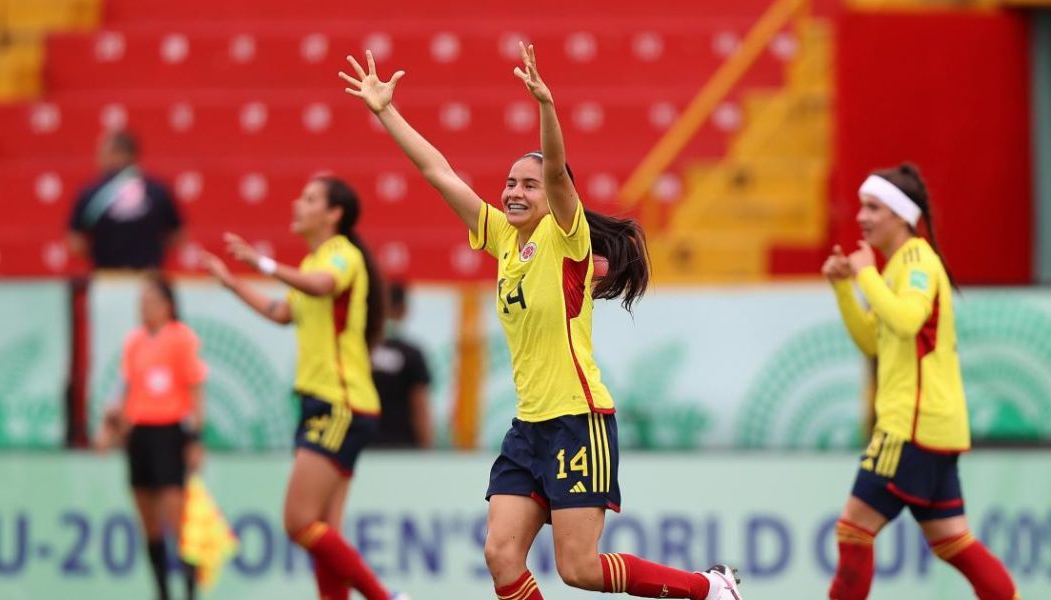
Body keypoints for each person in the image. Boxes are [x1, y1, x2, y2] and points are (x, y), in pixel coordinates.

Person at [339, 44, 742, 600]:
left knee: (579, 569)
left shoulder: (566, 238)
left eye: (527, 186)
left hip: (578, 420)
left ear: (553, 199)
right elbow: (439, 172)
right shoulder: (502, 238)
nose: (513, 192)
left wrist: (546, 107)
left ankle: (707, 588)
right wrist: (386, 112)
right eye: (509, 184)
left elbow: (555, 169)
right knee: (500, 555)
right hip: (529, 428)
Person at [200, 176, 406, 600]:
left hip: (339, 403)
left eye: (310, 198)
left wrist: (264, 265)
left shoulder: (341, 256)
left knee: (297, 522)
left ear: (334, 214)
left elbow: (323, 286)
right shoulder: (313, 262)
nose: (297, 203)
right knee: (322, 533)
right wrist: (233, 283)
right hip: (331, 403)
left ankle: (385, 599)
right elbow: (281, 312)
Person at [821, 163, 1019, 600]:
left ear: (899, 215)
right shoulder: (901, 267)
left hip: (910, 426)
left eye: (873, 207)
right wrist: (843, 287)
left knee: (853, 532)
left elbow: (908, 320)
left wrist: (864, 273)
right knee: (955, 543)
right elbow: (874, 341)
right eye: (861, 207)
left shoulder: (914, 262)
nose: (861, 217)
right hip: (934, 427)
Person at [94, 274, 206, 600]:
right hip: (139, 434)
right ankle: (161, 592)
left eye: (151, 302)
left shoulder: (182, 338)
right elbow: (123, 390)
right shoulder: (134, 342)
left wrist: (195, 439)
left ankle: (189, 591)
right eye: (141, 303)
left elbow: (196, 390)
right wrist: (107, 429)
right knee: (150, 523)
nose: (144, 309)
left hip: (170, 434)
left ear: (168, 306)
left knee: (178, 519)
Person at [68, 131, 185, 270]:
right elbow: (179, 234)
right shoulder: (157, 189)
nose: (99, 159)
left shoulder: (92, 192)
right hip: (149, 275)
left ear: (120, 154)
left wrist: (99, 254)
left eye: (103, 153)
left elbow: (75, 241)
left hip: (107, 276)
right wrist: (154, 250)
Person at [367, 281, 434, 449]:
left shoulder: (359, 351)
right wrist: (428, 450)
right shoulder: (411, 354)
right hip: (402, 451)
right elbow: (419, 406)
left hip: (363, 446)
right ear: (403, 309)